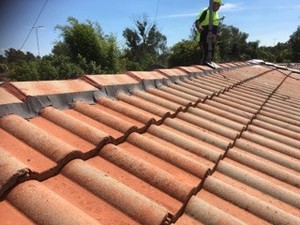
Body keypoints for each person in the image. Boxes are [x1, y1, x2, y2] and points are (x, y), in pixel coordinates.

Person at [195, 0, 222, 65]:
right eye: (217, 5)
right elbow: (197, 21)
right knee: (205, 54)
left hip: (212, 38)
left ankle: (209, 68)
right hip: (203, 37)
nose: (219, 7)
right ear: (212, 3)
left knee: (211, 54)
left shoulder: (216, 14)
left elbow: (215, 26)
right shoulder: (206, 11)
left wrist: (217, 33)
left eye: (220, 5)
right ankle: (202, 70)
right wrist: (199, 28)